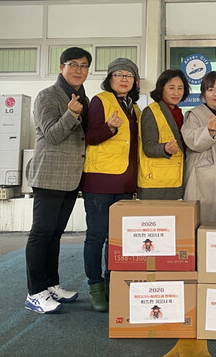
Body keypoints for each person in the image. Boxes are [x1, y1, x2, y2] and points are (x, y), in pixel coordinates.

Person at [24, 47, 91, 314]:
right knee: (41, 233)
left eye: (84, 66)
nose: (78, 70)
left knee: (55, 233)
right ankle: (34, 293)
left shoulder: (83, 97)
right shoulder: (47, 96)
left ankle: (50, 284)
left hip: (71, 176)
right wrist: (71, 114)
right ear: (62, 67)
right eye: (73, 64)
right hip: (49, 174)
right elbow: (51, 134)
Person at [80, 58, 140, 312]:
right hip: (99, 181)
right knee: (97, 236)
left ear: (135, 81)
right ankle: (95, 287)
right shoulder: (100, 101)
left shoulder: (134, 108)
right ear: (110, 79)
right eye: (119, 74)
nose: (124, 79)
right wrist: (110, 128)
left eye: (129, 75)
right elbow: (90, 137)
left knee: (118, 239)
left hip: (125, 182)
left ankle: (110, 282)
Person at [181, 70, 216, 222]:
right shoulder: (194, 115)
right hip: (203, 177)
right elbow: (192, 141)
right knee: (204, 220)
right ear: (203, 94)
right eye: (210, 89)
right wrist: (208, 132)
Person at [137, 69, 189, 199]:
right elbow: (148, 148)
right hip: (156, 183)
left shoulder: (179, 113)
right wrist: (165, 148)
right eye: (171, 88)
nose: (176, 93)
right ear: (161, 88)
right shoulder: (151, 112)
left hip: (174, 179)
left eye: (180, 88)